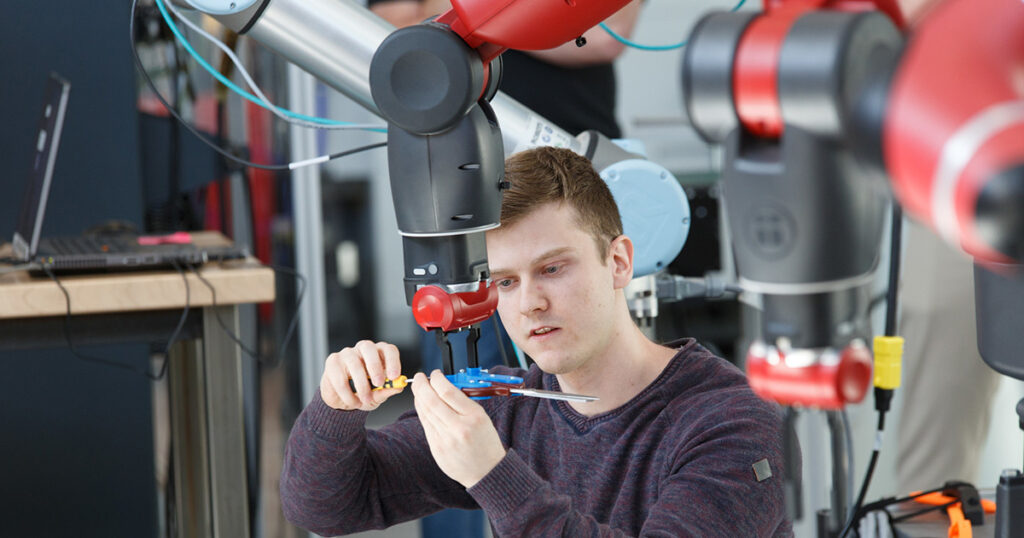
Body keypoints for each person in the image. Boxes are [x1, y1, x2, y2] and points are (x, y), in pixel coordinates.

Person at [280, 146, 795, 536]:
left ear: (618, 262)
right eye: (505, 281)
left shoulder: (731, 425)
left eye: (551, 268)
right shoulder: (506, 407)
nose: (529, 303)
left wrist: (494, 474)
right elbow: (325, 508)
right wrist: (337, 407)